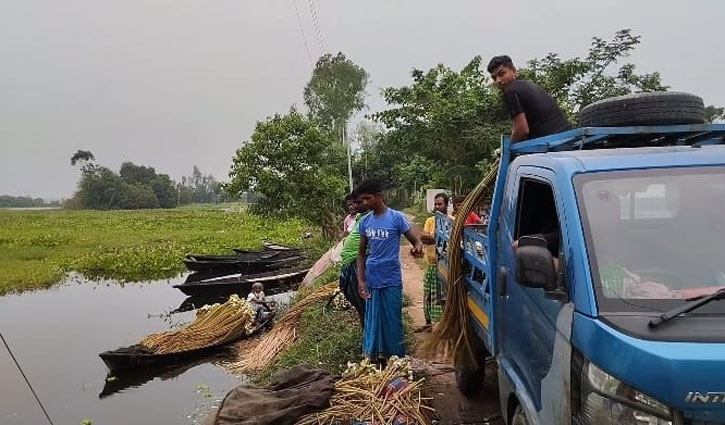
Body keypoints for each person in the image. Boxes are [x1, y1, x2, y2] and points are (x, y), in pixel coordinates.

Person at [356, 180, 423, 364]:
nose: (366, 203)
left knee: (392, 319)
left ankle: (396, 360)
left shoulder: (396, 218)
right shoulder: (365, 222)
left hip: (391, 279)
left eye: (368, 198)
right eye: (363, 200)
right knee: (373, 320)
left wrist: (417, 248)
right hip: (372, 279)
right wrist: (361, 280)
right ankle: (375, 357)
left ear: (379, 196)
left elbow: (415, 241)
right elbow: (361, 253)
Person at [487, 55, 572, 142]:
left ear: (513, 70)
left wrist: (509, 148)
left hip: (554, 144)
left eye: (501, 74)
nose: (498, 80)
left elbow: (522, 130)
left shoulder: (511, 91)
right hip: (569, 138)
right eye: (494, 78)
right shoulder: (529, 85)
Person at [338, 189, 370, 326]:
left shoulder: (370, 218)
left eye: (358, 202)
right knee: (358, 302)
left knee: (364, 304)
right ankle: (367, 336)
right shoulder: (358, 218)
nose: (355, 207)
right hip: (349, 263)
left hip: (357, 264)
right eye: (352, 203)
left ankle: (370, 338)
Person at [419, 192, 449, 331]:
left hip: (444, 266)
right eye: (435, 204)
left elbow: (448, 241)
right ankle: (428, 323)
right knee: (428, 296)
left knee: (443, 297)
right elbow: (423, 238)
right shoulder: (430, 221)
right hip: (431, 265)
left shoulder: (451, 221)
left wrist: (432, 238)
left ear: (446, 205)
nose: (437, 207)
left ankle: (442, 325)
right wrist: (437, 237)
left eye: (440, 204)